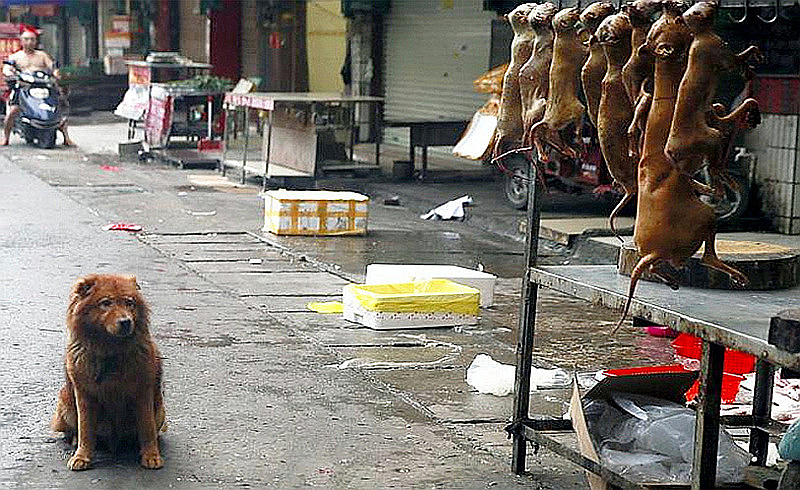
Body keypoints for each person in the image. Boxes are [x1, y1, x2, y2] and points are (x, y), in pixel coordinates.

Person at [2, 24, 73, 146]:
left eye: (32, 39)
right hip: (24, 88)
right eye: (26, 39)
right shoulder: (16, 57)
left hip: (43, 87)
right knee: (13, 111)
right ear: (21, 41)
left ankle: (66, 137)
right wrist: (9, 73)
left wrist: (57, 74)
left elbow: (52, 67)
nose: (29, 42)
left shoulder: (42, 55)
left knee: (58, 106)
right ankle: (6, 138)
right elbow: (7, 68)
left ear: (36, 41)